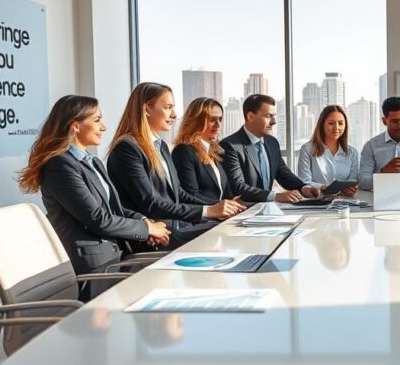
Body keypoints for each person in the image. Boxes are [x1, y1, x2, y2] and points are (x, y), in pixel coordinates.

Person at [16, 95, 171, 298]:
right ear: (75, 126)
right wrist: (148, 228)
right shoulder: (60, 165)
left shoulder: (93, 162)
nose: (104, 127)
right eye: (97, 120)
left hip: (117, 254)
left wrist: (145, 222)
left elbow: (115, 209)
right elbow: (99, 220)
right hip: (96, 268)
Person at [106, 82, 245, 249]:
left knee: (230, 228)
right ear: (147, 109)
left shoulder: (161, 146)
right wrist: (209, 212)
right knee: (225, 234)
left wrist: (215, 208)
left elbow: (179, 194)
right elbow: (151, 203)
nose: (174, 114)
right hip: (151, 237)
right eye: (168, 107)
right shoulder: (127, 148)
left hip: (173, 229)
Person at [222, 94, 321, 203]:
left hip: (268, 211)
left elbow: (283, 174)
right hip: (242, 212)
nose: (274, 121)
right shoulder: (230, 145)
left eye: (274, 115)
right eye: (269, 116)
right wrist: (276, 196)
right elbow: (239, 187)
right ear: (250, 116)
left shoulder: (272, 143)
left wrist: (303, 188)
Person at [172, 97, 238, 203]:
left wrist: (235, 202)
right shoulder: (184, 151)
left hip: (220, 217)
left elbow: (224, 192)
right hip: (201, 218)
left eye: (220, 119)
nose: (218, 125)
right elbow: (190, 194)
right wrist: (220, 205)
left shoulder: (215, 152)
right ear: (196, 121)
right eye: (212, 120)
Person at [296, 105, 360, 196]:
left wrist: (351, 189)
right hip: (316, 202)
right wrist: (323, 186)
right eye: (331, 123)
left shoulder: (352, 153)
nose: (336, 128)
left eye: (340, 123)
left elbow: (352, 181)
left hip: (345, 203)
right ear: (322, 124)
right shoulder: (307, 149)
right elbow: (304, 182)